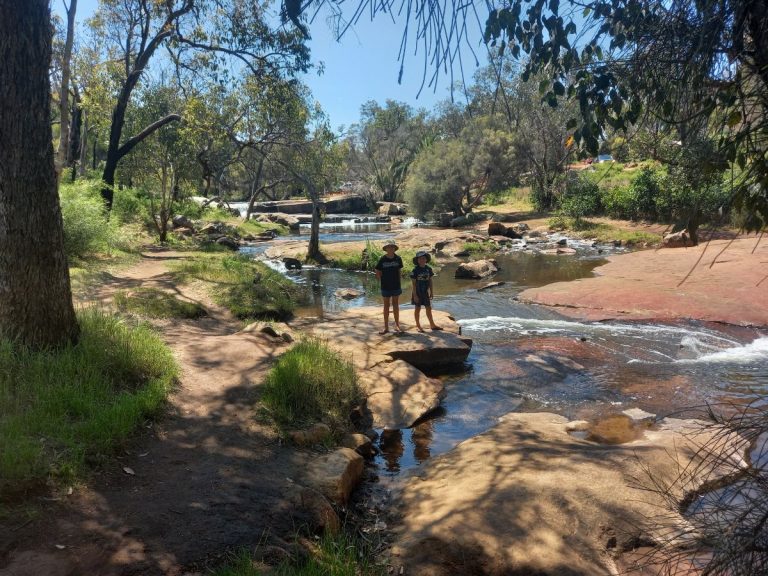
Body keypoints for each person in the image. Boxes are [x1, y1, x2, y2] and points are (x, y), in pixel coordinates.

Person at [374, 241, 403, 334]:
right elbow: (377, 269)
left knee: (396, 305)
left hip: (396, 285)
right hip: (385, 286)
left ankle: (397, 325)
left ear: (395, 248)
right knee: (386, 306)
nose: (390, 249)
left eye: (392, 247)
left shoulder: (398, 258)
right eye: (388, 247)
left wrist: (399, 282)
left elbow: (399, 271)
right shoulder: (382, 259)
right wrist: (379, 277)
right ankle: (386, 327)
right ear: (386, 249)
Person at [410, 250, 443, 332]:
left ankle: (432, 325)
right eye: (420, 259)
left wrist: (431, 292)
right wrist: (415, 295)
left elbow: (430, 281)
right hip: (417, 292)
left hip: (425, 292)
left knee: (428, 308)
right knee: (417, 309)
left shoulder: (428, 269)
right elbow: (413, 284)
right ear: (417, 260)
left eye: (423, 258)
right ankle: (418, 326)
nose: (422, 260)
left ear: (426, 259)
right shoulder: (415, 270)